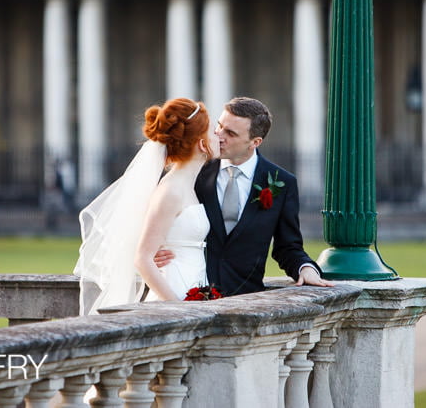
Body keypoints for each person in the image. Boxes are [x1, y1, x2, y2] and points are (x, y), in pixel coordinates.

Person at [156, 97, 335, 295]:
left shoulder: (282, 182)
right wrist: (155, 251)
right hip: (190, 292)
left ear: (255, 142)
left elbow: (288, 247)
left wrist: (306, 268)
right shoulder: (195, 171)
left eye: (230, 133)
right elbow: (159, 219)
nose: (218, 136)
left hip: (246, 299)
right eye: (219, 126)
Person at [74, 98, 218, 314]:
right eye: (213, 131)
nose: (219, 136)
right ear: (202, 143)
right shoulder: (171, 191)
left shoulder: (186, 186)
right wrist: (179, 309)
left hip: (193, 289)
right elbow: (143, 258)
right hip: (174, 298)